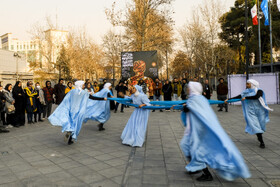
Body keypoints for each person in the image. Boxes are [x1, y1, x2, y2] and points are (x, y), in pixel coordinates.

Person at [179, 82, 251, 182]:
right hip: (193, 129)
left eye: (189, 88)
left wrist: (183, 107)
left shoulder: (196, 99)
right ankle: (195, 167)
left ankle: (207, 174)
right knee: (185, 145)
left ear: (193, 89)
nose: (187, 89)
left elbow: (190, 108)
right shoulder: (195, 98)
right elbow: (189, 108)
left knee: (197, 151)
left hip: (199, 130)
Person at [48, 80, 108, 145]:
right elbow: (92, 97)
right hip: (78, 112)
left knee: (70, 122)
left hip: (71, 110)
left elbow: (66, 98)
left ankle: (69, 130)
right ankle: (70, 138)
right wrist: (103, 99)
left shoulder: (72, 91)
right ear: (80, 85)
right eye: (83, 85)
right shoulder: (84, 93)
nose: (84, 86)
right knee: (76, 124)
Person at [225, 79, 273, 148]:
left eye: (248, 84)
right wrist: (229, 99)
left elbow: (257, 96)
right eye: (246, 84)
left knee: (261, 126)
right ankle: (261, 142)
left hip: (260, 111)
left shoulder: (259, 90)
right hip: (251, 112)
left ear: (253, 84)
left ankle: (259, 134)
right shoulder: (246, 92)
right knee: (255, 126)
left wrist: (246, 97)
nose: (246, 85)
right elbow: (238, 97)